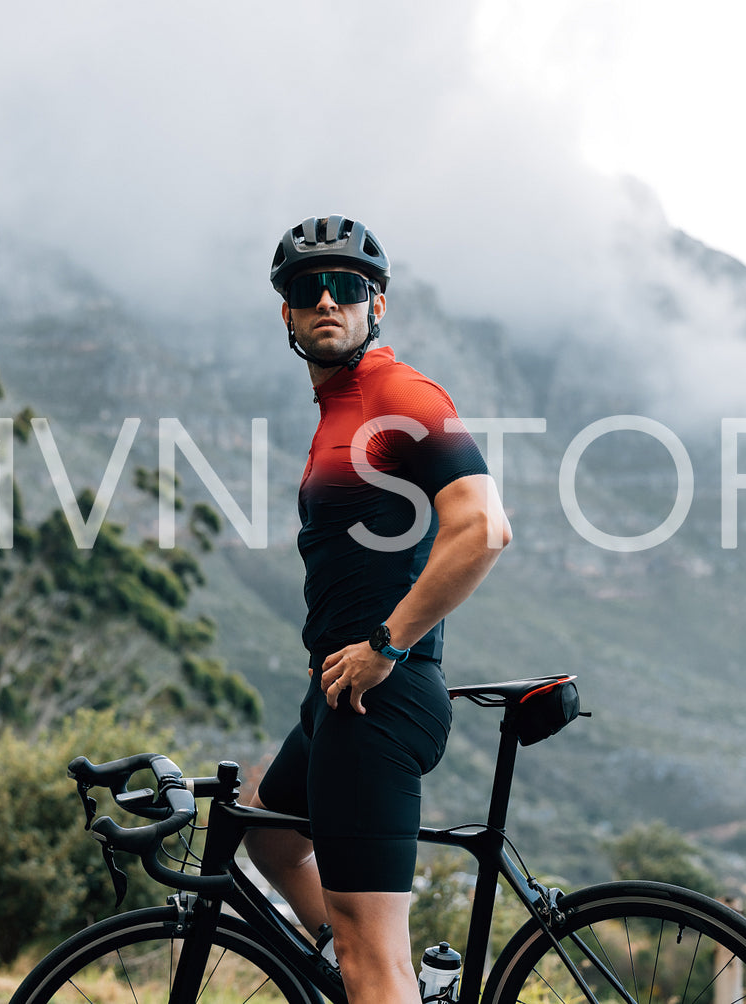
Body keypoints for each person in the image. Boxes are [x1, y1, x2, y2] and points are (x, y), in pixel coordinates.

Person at [246, 215, 511, 1004]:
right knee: (265, 825)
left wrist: (384, 645)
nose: (326, 299)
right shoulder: (339, 411)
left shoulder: (397, 392)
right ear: (287, 313)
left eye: (347, 287)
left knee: (377, 965)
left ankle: (372, 973)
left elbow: (483, 528)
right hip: (338, 693)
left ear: (377, 306)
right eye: (306, 288)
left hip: (380, 698)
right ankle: (343, 954)